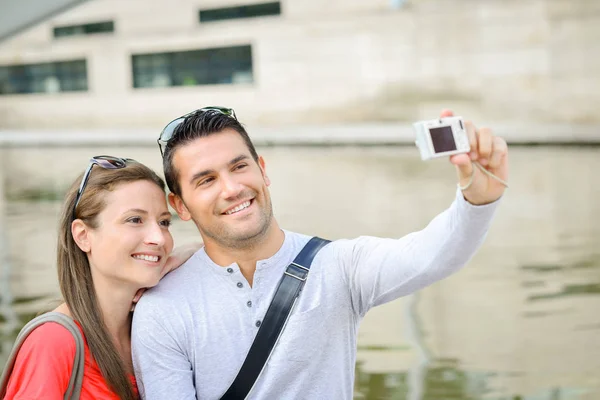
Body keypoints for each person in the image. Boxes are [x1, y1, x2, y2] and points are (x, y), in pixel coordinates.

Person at [131, 107, 508, 399]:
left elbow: (432, 255)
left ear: (262, 171)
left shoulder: (338, 266)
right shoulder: (163, 308)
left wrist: (478, 199)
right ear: (179, 205)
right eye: (207, 180)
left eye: (239, 166)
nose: (231, 188)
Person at [3, 156, 199, 399]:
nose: (159, 238)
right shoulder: (53, 342)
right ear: (83, 235)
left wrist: (191, 253)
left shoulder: (153, 327)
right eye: (135, 220)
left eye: (164, 222)